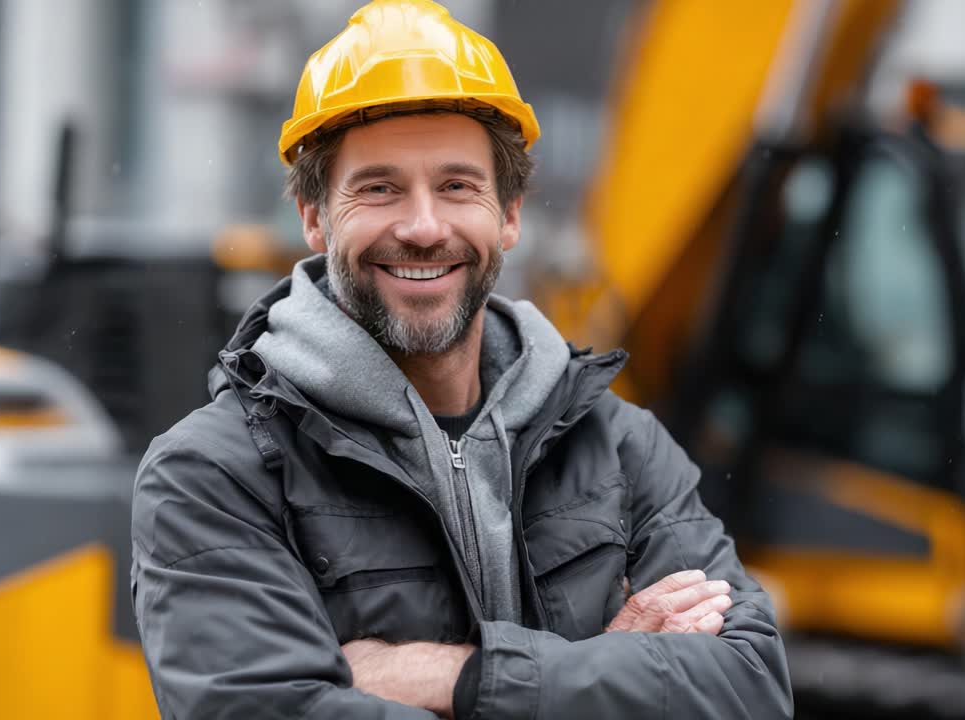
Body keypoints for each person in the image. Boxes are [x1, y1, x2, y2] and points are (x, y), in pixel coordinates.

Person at [130, 1, 792, 717]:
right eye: (379, 188)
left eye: (457, 186)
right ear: (315, 217)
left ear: (508, 214)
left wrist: (458, 680)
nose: (422, 227)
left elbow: (749, 689)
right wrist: (607, 668)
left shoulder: (621, 448)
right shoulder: (213, 478)